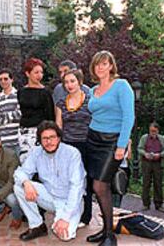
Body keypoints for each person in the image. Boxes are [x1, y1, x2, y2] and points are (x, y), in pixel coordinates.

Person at [85, 51, 134, 246]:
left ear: (111, 66)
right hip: (93, 139)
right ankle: (105, 230)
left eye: (104, 64)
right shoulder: (93, 90)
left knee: (100, 185)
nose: (100, 67)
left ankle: (110, 235)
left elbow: (129, 117)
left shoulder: (122, 86)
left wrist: (122, 145)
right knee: (97, 186)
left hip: (112, 142)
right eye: (97, 64)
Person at [14, 121, 86, 242]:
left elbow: (77, 188)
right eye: (45, 138)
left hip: (69, 201)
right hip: (49, 197)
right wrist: (26, 183)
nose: (49, 142)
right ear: (40, 140)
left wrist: (65, 217)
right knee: (19, 186)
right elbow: (20, 172)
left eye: (52, 137)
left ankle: (68, 219)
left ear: (59, 138)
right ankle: (37, 225)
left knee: (65, 235)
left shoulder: (72, 153)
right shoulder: (36, 152)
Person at [55, 69, 92, 227]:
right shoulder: (61, 103)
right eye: (66, 82)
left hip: (87, 145)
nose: (69, 85)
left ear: (80, 82)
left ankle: (86, 216)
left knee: (87, 181)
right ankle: (70, 213)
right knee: (70, 182)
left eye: (72, 81)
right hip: (68, 147)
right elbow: (59, 127)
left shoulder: (91, 100)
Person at [18, 58, 55, 159]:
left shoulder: (45, 92)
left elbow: (51, 116)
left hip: (39, 132)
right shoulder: (21, 91)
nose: (39, 75)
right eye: (36, 72)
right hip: (23, 132)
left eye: (41, 72)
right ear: (27, 73)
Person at [138, 122, 164, 213]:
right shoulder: (144, 138)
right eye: (151, 131)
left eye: (154, 131)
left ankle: (159, 204)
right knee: (146, 183)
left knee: (158, 183)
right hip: (146, 162)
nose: (153, 133)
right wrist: (145, 154)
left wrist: (159, 155)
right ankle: (146, 204)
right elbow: (140, 148)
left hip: (158, 163)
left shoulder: (161, 139)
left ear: (157, 131)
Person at [0, 69, 21, 156]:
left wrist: (3, 116)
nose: (3, 81)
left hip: (18, 140)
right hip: (4, 141)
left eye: (5, 79)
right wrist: (13, 115)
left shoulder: (19, 95)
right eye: (0, 79)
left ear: (12, 80)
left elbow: (20, 114)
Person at [112, 140, 132, 208]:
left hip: (124, 168)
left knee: (121, 189)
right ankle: (114, 206)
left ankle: (117, 205)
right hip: (116, 168)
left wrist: (129, 145)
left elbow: (129, 157)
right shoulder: (116, 144)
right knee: (115, 188)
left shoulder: (126, 144)